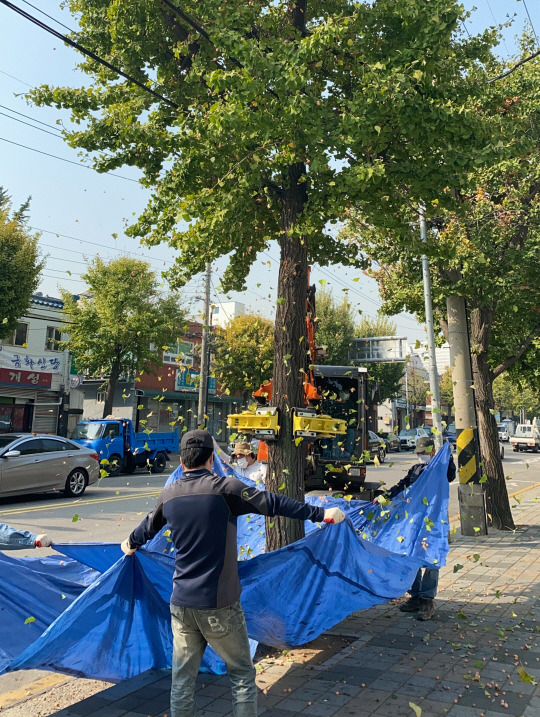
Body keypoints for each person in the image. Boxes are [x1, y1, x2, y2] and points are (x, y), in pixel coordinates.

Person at [121, 429, 345, 717]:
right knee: (240, 675)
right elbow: (273, 503)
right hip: (219, 605)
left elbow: (145, 529)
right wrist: (320, 514)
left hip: (181, 605)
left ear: (182, 460)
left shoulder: (170, 494)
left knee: (182, 682)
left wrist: (129, 544)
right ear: (212, 458)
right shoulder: (226, 489)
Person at [386, 436, 455, 621]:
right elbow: (402, 485)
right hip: (414, 520)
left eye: (424, 453)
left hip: (433, 522)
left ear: (432, 451)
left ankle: (427, 599)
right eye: (418, 453)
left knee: (431, 557)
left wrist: (448, 455)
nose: (421, 456)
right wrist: (385, 497)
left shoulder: (440, 469)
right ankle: (415, 596)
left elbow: (451, 475)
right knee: (412, 555)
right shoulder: (415, 470)